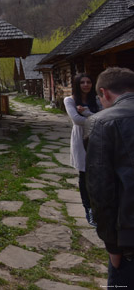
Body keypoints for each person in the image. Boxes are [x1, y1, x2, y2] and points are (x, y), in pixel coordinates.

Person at [85, 66, 134, 287]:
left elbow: (101, 190)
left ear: (104, 93)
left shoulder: (102, 122)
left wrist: (112, 246)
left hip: (129, 238)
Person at [64, 73, 99, 226]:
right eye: (82, 82)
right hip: (80, 139)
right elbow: (77, 121)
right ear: (77, 85)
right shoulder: (69, 100)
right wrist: (95, 118)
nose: (86, 85)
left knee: (99, 173)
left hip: (98, 139)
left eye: (89, 82)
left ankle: (100, 207)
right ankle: (88, 208)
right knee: (84, 173)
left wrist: (86, 113)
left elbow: (103, 116)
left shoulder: (97, 100)